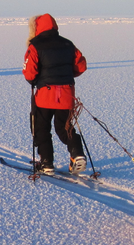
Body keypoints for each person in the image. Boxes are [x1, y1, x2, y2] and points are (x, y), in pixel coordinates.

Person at [22, 14, 88, 175]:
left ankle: (46, 163)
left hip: (45, 95)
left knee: (41, 129)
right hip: (66, 94)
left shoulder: (35, 46)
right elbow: (81, 66)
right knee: (64, 127)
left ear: (36, 28)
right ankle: (77, 153)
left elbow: (29, 73)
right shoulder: (68, 44)